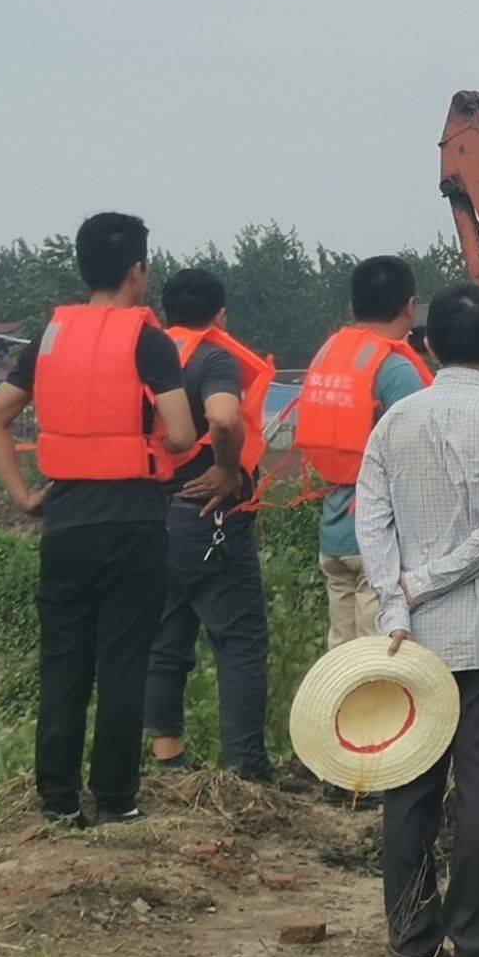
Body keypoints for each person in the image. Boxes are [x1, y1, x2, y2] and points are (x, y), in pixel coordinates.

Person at [0, 211, 201, 829]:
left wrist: (24, 497)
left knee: (64, 663)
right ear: (137, 272)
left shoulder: (50, 336)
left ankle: (57, 802)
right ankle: (117, 798)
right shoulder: (148, 339)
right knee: (123, 661)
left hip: (66, 517)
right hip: (132, 519)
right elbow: (180, 434)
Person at [355, 282, 479, 957]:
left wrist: (397, 599)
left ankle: (411, 940)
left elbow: (370, 520)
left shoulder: (394, 423)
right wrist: (422, 584)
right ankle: (477, 942)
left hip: (414, 642)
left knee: (408, 790)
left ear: (428, 345)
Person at [143, 267, 271, 779]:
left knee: (165, 641)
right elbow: (223, 417)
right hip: (208, 517)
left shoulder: (148, 355)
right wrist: (224, 469)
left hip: (151, 516)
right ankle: (246, 766)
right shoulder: (214, 357)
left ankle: (168, 759)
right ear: (220, 316)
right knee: (240, 642)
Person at [294, 256, 433, 647]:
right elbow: (419, 456)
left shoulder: (329, 356)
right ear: (409, 307)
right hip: (377, 542)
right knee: (377, 661)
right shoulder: (395, 369)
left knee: (343, 660)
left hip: (335, 536)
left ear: (354, 307)